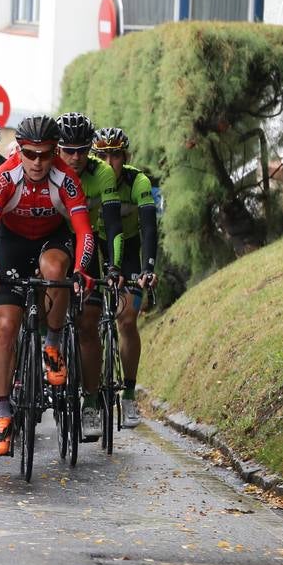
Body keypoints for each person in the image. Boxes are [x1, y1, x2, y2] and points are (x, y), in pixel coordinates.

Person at [0, 115, 95, 457]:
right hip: (10, 243)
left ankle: (52, 346)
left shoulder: (66, 179)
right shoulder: (5, 177)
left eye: (45, 154)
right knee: (6, 326)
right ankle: (2, 415)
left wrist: (81, 269)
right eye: (30, 154)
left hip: (51, 240)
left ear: (55, 151)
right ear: (20, 150)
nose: (38, 162)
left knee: (56, 270)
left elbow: (84, 231)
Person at [54, 111, 115, 440]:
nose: (76, 157)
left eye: (82, 150)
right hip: (51, 241)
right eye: (68, 150)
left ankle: (90, 403)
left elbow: (111, 220)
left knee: (88, 325)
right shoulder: (48, 167)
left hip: (86, 241)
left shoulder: (101, 172)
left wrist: (114, 266)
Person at [94, 126, 159, 429]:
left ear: (126, 157)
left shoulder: (138, 182)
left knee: (127, 319)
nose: (109, 162)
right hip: (96, 245)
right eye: (102, 155)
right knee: (85, 319)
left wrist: (147, 268)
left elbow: (148, 227)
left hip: (131, 247)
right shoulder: (89, 177)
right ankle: (88, 397)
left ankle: (129, 396)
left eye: (115, 155)